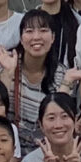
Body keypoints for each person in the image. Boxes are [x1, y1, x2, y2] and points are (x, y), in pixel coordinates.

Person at [8, 8, 72, 153]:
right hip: (9, 152)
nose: (36, 37)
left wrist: (67, 83)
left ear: (53, 37)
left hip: (45, 153)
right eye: (29, 31)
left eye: (43, 30)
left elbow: (60, 120)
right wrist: (7, 72)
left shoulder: (60, 74)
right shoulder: (6, 63)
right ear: (21, 38)